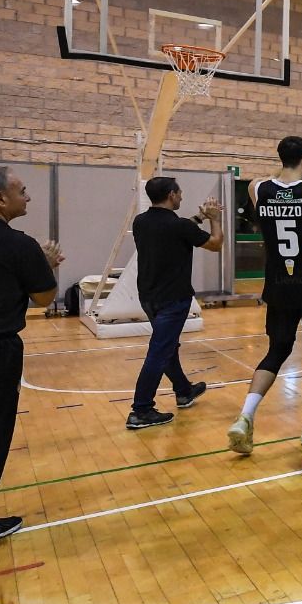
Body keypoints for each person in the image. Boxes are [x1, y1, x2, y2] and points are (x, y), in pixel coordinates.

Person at [227, 123, 302, 455]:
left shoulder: (256, 187)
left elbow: (274, 180)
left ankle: (245, 415)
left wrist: (297, 158)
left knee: (276, 351)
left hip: (278, 285)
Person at [0, 166, 60, 549]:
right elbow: (44, 298)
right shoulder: (18, 245)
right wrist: (46, 265)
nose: (28, 198)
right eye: (22, 191)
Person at [127, 177, 222, 430]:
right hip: (173, 299)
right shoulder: (179, 226)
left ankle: (183, 391)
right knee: (159, 351)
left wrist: (198, 217)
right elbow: (216, 244)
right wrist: (215, 218)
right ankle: (141, 410)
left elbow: (178, 229)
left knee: (167, 346)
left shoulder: (141, 222)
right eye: (179, 193)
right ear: (171, 195)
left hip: (148, 297)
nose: (181, 197)